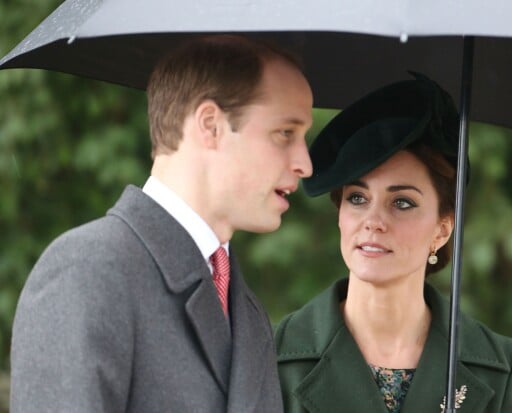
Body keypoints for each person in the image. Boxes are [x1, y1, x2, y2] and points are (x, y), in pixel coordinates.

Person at [10, 35, 313, 412]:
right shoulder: (88, 271)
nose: (305, 164)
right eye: (285, 133)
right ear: (211, 125)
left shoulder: (248, 313)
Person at [274, 73, 512, 413]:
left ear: (442, 230)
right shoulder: (273, 355)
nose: (373, 221)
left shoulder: (499, 366)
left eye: (402, 203)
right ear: (339, 214)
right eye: (357, 198)